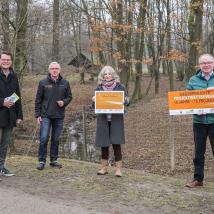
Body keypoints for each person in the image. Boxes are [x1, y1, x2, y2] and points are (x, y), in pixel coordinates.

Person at [92, 66, 129, 177]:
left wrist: (125, 100)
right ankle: (104, 168)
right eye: (105, 74)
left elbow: (127, 100)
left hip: (116, 119)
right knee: (104, 144)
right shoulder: (98, 88)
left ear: (113, 75)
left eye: (109, 74)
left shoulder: (120, 87)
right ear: (102, 76)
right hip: (103, 119)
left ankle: (118, 170)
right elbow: (94, 106)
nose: (107, 76)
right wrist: (94, 100)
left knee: (116, 144)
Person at [35, 62, 72, 170]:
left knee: (56, 139)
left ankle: (53, 160)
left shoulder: (65, 83)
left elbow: (69, 97)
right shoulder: (43, 83)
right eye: (52, 68)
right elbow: (38, 100)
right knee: (44, 137)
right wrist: (38, 115)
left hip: (59, 116)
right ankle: (41, 161)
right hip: (45, 115)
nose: (54, 70)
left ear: (59, 70)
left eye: (56, 68)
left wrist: (64, 102)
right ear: (49, 70)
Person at [186, 53, 214, 188]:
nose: (206, 65)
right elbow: (186, 101)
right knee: (198, 152)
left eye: (209, 62)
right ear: (199, 65)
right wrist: (194, 108)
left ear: (213, 64)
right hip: (199, 122)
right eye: (203, 63)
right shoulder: (193, 80)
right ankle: (198, 179)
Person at [0, 51, 23, 177]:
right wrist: (2, 102)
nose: (5, 61)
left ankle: (1, 167)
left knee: (4, 145)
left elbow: (17, 96)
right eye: (3, 59)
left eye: (8, 59)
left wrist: (19, 116)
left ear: (11, 61)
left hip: (10, 116)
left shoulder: (14, 76)